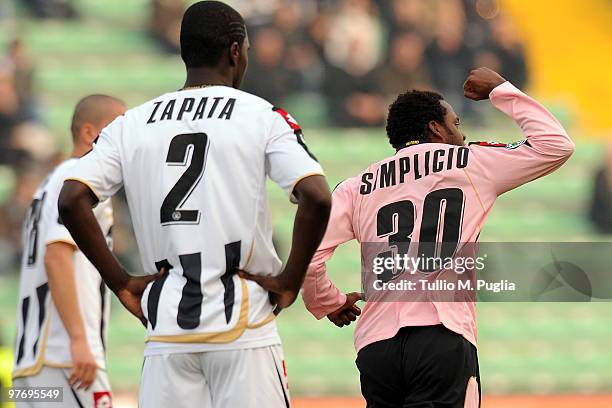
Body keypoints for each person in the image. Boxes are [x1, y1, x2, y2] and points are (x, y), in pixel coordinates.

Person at [58, 2, 332, 407]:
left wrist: (120, 282)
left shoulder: (131, 123)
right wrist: (291, 279)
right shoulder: (262, 115)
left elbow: (72, 198)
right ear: (235, 52)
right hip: (243, 325)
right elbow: (317, 195)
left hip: (167, 328)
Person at [302, 67, 575, 407]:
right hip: (440, 334)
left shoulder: (357, 186)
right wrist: (501, 90)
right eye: (456, 124)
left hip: (377, 346)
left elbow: (309, 253)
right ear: (435, 128)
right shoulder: (471, 162)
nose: (461, 134)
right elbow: (556, 145)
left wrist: (327, 301)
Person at [12, 95, 126, 408]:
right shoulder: (82, 180)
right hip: (65, 359)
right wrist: (79, 340)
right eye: (119, 128)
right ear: (90, 133)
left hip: (29, 363)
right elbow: (56, 256)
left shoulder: (49, 181)